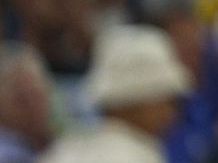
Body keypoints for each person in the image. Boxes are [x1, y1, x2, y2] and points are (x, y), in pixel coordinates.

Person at [41, 24, 194, 163]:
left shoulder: (64, 150)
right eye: (168, 101)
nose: (172, 112)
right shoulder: (136, 156)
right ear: (136, 102)